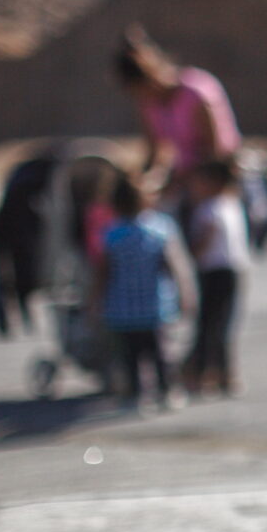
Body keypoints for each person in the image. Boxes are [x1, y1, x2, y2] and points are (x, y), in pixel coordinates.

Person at [114, 25, 242, 215]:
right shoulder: (149, 105)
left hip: (217, 180)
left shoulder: (196, 93)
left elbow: (214, 153)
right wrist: (146, 182)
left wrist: (182, 181)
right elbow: (156, 151)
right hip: (184, 182)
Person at [91, 173, 192, 412]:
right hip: (155, 305)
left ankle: (136, 394)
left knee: (130, 355)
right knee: (161, 352)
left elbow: (103, 272)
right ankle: (168, 390)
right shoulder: (159, 229)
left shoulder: (111, 234)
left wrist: (94, 300)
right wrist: (184, 293)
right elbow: (174, 266)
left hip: (122, 307)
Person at [181, 157, 250, 397]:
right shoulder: (232, 204)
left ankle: (208, 372)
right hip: (230, 268)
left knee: (213, 324)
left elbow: (206, 237)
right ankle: (215, 373)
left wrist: (190, 255)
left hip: (215, 269)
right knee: (218, 323)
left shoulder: (209, 208)